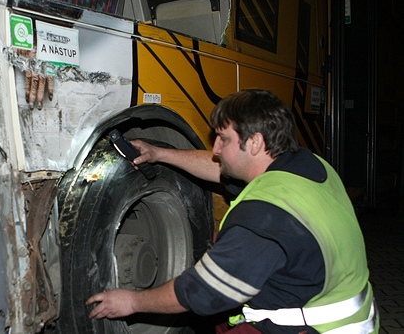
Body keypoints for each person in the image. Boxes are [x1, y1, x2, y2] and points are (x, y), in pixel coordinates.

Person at [86, 89, 379, 333]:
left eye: (223, 139)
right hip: (346, 312)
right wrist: (160, 153)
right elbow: (222, 170)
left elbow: (201, 291)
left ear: (254, 142)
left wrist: (132, 302)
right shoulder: (309, 166)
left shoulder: (265, 220)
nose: (216, 149)